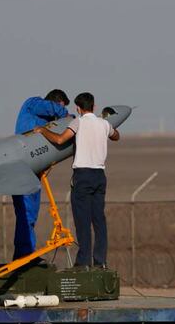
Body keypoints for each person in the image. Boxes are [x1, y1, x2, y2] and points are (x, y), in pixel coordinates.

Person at [38, 92, 120, 269]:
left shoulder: (78, 122)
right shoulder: (104, 124)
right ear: (94, 106)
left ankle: (83, 262)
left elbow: (60, 139)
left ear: (78, 108)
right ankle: (100, 261)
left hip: (83, 175)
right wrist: (106, 128)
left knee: (82, 220)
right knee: (98, 220)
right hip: (99, 175)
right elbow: (116, 136)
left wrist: (43, 130)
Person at [11, 89, 70, 260]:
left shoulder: (46, 124)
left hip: (33, 173)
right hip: (22, 171)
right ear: (57, 101)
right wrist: (66, 115)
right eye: (61, 105)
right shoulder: (32, 104)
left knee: (30, 216)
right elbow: (53, 109)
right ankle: (24, 255)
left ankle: (26, 254)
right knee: (25, 214)